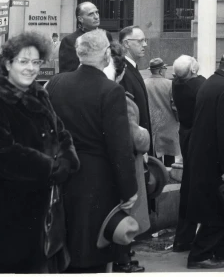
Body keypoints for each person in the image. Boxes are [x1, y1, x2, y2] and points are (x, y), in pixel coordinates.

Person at [0, 32, 80, 273]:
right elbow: (4, 152)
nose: (31, 68)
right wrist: (51, 167)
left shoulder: (40, 93)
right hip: (13, 207)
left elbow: (61, 132)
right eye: (23, 62)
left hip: (49, 203)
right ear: (8, 63)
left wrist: (69, 159)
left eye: (36, 62)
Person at [47, 29, 138, 273]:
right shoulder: (110, 90)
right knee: (91, 251)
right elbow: (120, 147)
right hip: (97, 181)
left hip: (63, 175)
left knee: (63, 246)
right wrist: (129, 189)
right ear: (107, 54)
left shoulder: (56, 83)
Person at [184, 51, 224, 269]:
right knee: (219, 206)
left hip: (204, 155)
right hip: (216, 160)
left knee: (223, 205)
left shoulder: (211, 82)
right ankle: (199, 254)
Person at [106, 41, 150, 274]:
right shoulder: (121, 98)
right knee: (125, 212)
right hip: (124, 167)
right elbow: (136, 138)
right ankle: (123, 259)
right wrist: (144, 134)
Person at [171, 55, 206, 253]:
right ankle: (187, 238)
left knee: (189, 184)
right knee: (196, 186)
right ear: (193, 70)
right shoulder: (199, 84)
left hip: (185, 134)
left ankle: (183, 237)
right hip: (197, 137)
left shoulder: (177, 83)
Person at [119, 26, 153, 155]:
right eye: (140, 41)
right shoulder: (123, 71)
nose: (144, 45)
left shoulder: (132, 68)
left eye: (145, 40)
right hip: (135, 149)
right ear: (126, 44)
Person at [145, 58, 180, 166]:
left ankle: (159, 178)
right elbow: (175, 106)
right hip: (169, 125)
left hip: (152, 125)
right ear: (161, 70)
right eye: (164, 69)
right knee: (170, 158)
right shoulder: (170, 84)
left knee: (156, 158)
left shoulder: (144, 83)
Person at [58, 2, 111, 73]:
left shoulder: (106, 35)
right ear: (80, 19)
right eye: (91, 14)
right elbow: (67, 72)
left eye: (97, 12)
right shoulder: (69, 41)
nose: (96, 17)